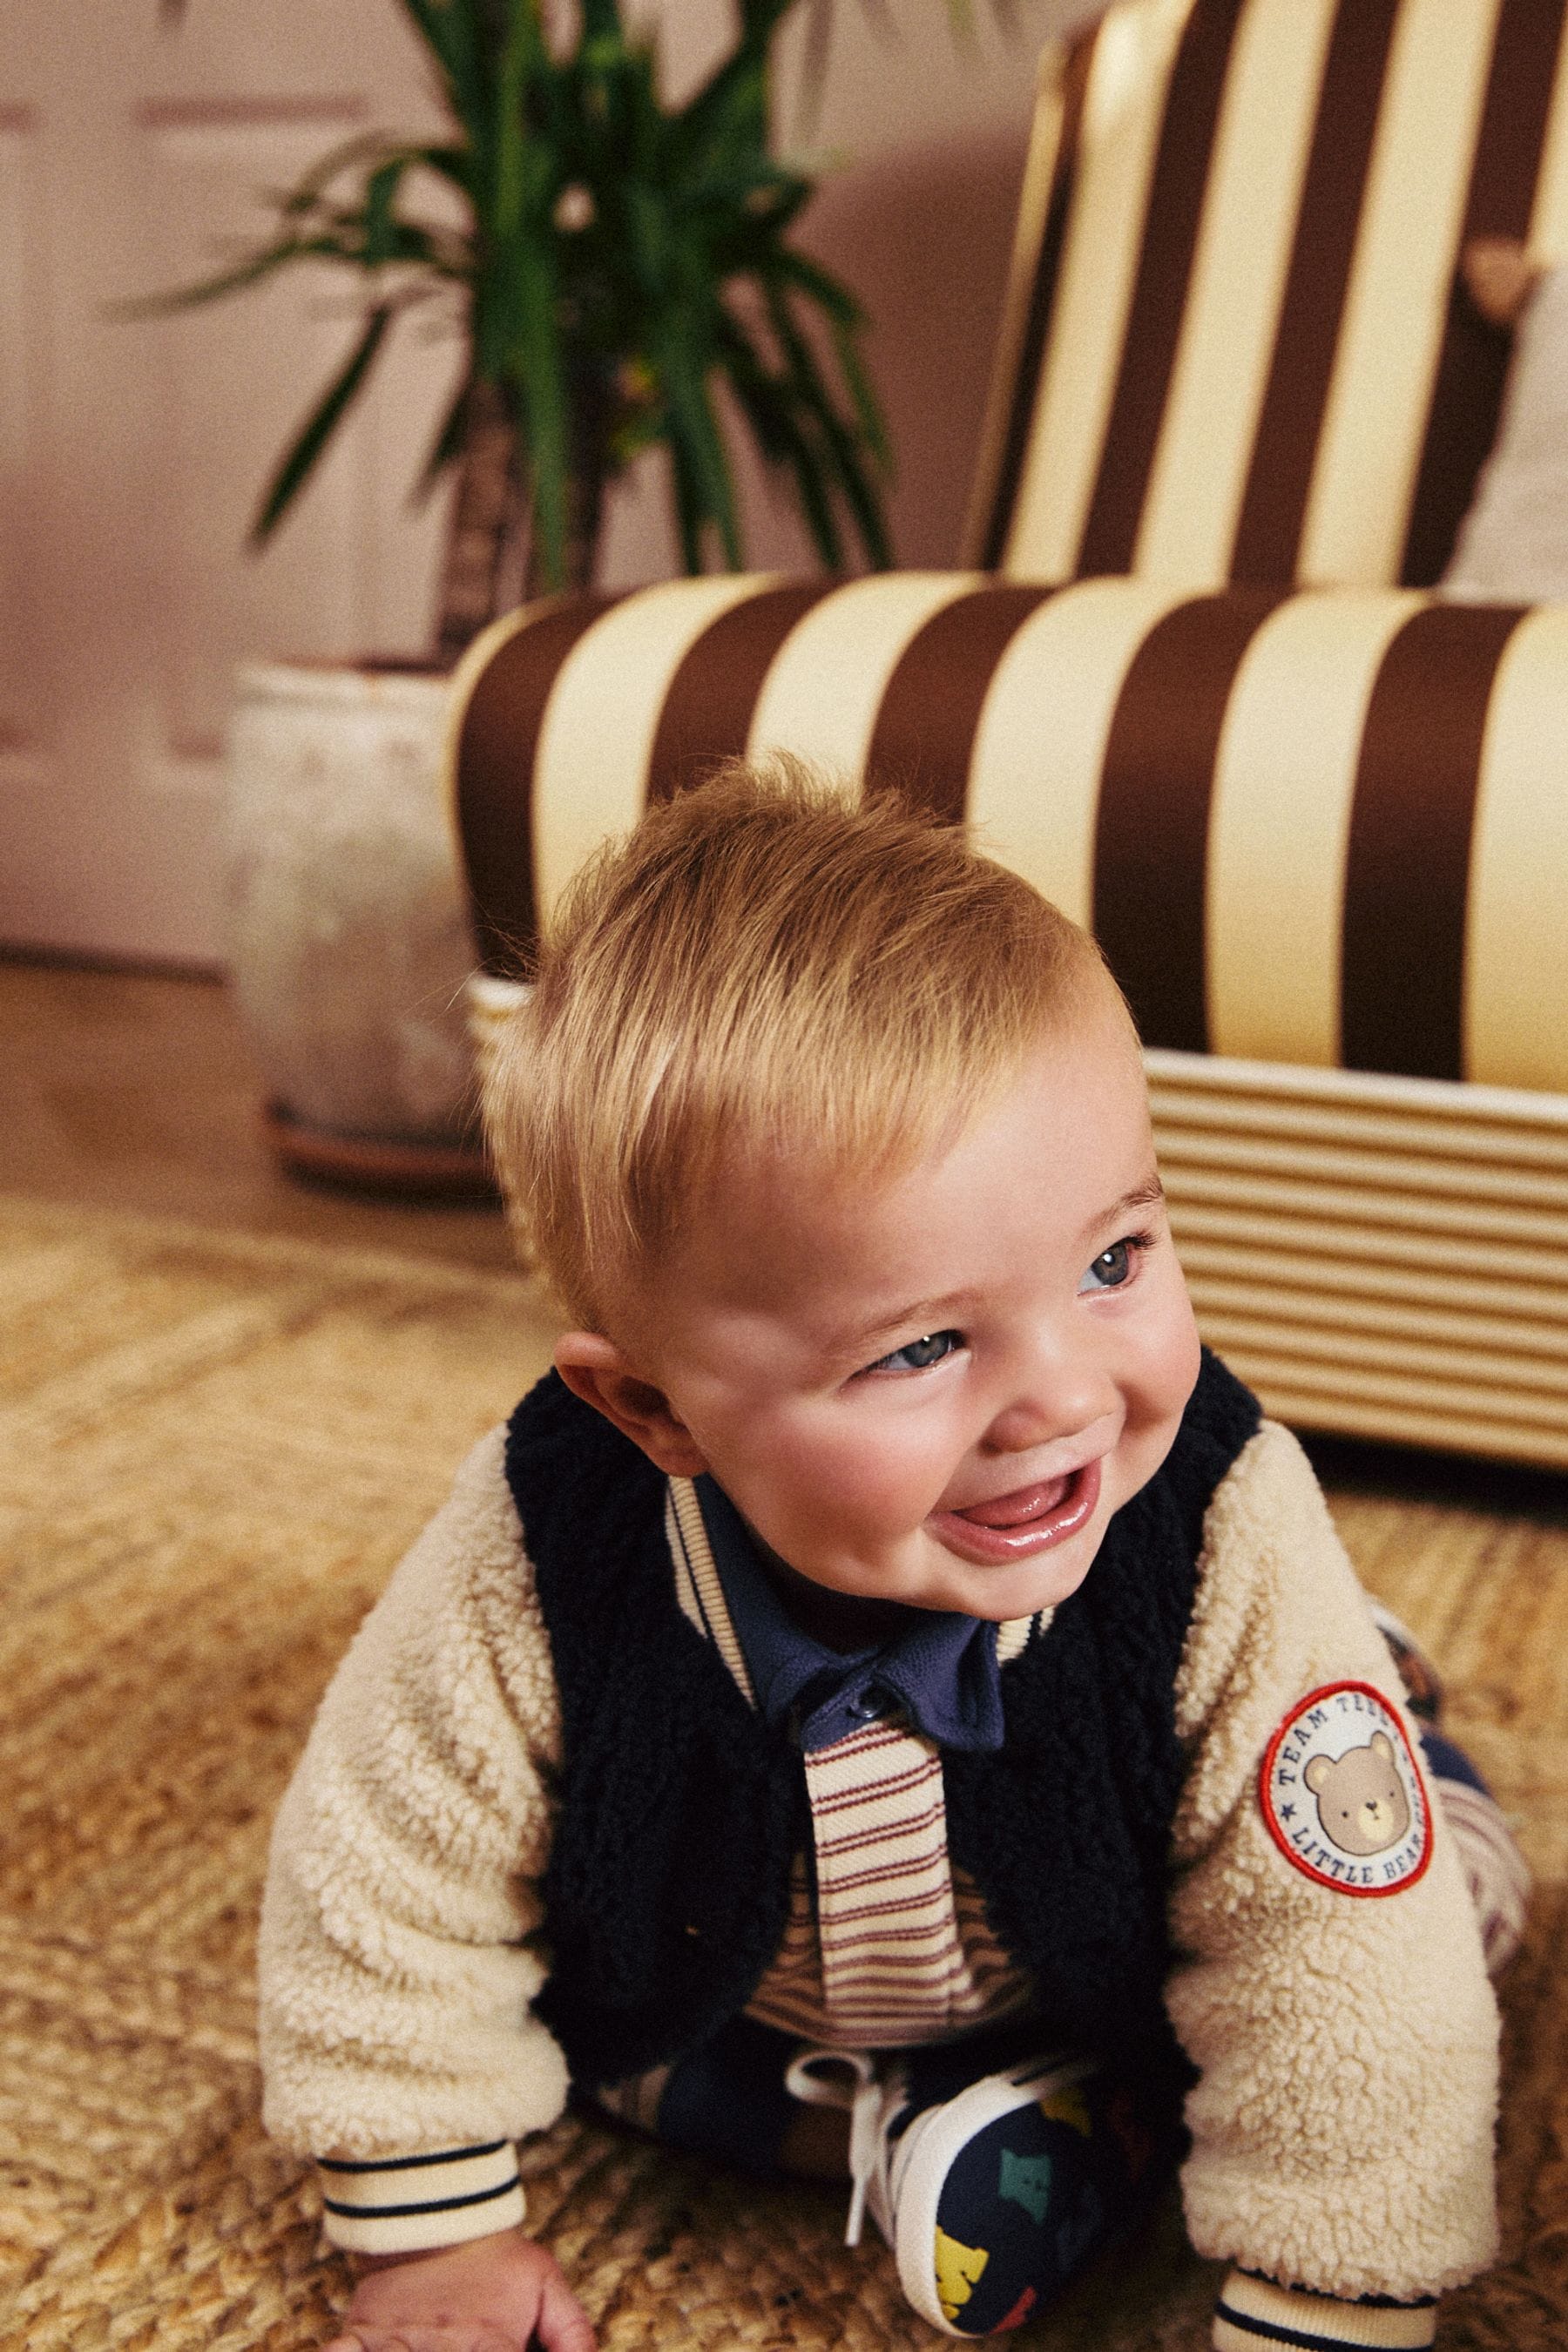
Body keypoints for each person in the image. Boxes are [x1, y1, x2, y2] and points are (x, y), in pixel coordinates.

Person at [259, 761, 1526, 2352]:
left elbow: (1345, 1969)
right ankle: (1071, 2127)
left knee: (1422, 1902)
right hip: (740, 1988)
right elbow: (381, 1867)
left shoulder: (1207, 1523)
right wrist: (428, 2235)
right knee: (631, 2081)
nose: (1067, 1398)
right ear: (655, 1409)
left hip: (1118, 1930)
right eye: (924, 1346)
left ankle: (1358, 1695)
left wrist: (1341, 2286)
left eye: (1116, 1258)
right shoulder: (549, 1541)